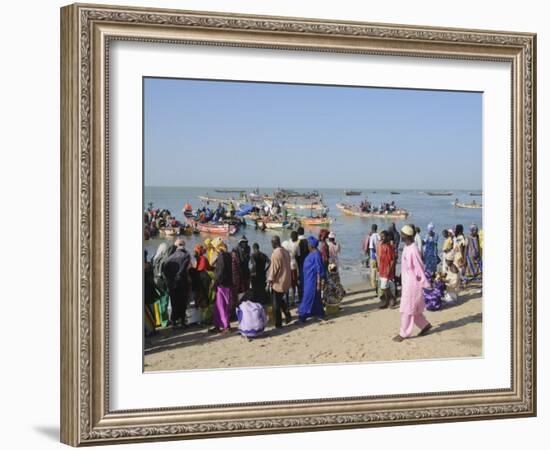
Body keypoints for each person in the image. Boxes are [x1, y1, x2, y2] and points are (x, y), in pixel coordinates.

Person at [392, 225, 432, 342]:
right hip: (406, 282)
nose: (400, 235)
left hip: (412, 284)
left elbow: (419, 268)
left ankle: (404, 333)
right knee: (412, 308)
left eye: (402, 234)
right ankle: (425, 325)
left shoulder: (414, 250)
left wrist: (426, 284)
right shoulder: (406, 247)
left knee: (406, 309)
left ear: (406, 236)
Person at [161, 238, 191, 328]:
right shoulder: (186, 255)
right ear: (183, 245)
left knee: (174, 303)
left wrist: (171, 279)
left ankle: (173, 321)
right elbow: (187, 268)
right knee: (183, 302)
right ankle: (182, 321)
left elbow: (164, 270)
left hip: (172, 283)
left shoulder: (169, 257)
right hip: (182, 282)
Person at [298, 236, 327, 322]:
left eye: (308, 244)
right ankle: (319, 313)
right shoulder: (312, 253)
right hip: (308, 280)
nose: (307, 246)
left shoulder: (316, 255)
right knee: (315, 298)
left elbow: (319, 269)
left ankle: (302, 316)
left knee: (308, 297)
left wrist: (318, 282)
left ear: (311, 245)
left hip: (313, 281)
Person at [267, 236, 292, 328]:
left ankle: (278, 323)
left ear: (274, 243)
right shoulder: (285, 251)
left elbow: (274, 269)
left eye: (272, 243)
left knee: (275, 303)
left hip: (279, 281)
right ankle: (287, 314)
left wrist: (269, 280)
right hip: (286, 280)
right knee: (280, 299)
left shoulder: (276, 253)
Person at [210, 240, 233, 334]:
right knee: (220, 306)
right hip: (226, 283)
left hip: (222, 284)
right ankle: (218, 325)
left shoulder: (221, 256)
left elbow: (220, 272)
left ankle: (226, 326)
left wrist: (215, 283)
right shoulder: (227, 255)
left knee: (221, 306)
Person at [377, 230, 397, 309]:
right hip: (382, 268)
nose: (381, 238)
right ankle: (388, 301)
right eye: (381, 236)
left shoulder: (389, 247)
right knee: (385, 286)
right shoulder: (381, 245)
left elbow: (392, 260)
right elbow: (380, 257)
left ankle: (391, 298)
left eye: (383, 236)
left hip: (387, 269)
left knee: (384, 286)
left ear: (387, 237)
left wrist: (389, 269)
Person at [282, 231, 300, 305]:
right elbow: (298, 255)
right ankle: (292, 301)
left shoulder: (285, 243)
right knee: (293, 284)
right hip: (293, 266)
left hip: (286, 265)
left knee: (286, 283)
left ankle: (286, 299)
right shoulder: (296, 245)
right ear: (296, 238)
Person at [295, 226, 309, 302]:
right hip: (306, 263)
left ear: (298, 233)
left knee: (299, 281)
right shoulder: (307, 241)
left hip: (299, 263)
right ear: (303, 232)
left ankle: (301, 298)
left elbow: (296, 254)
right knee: (305, 280)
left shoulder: (297, 242)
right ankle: (305, 296)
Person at [368, 224, 380, 289]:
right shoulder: (379, 236)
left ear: (372, 229)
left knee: (373, 271)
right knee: (379, 271)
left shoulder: (372, 237)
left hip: (374, 257)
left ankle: (373, 285)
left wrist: (374, 256)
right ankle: (379, 283)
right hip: (380, 256)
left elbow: (371, 248)